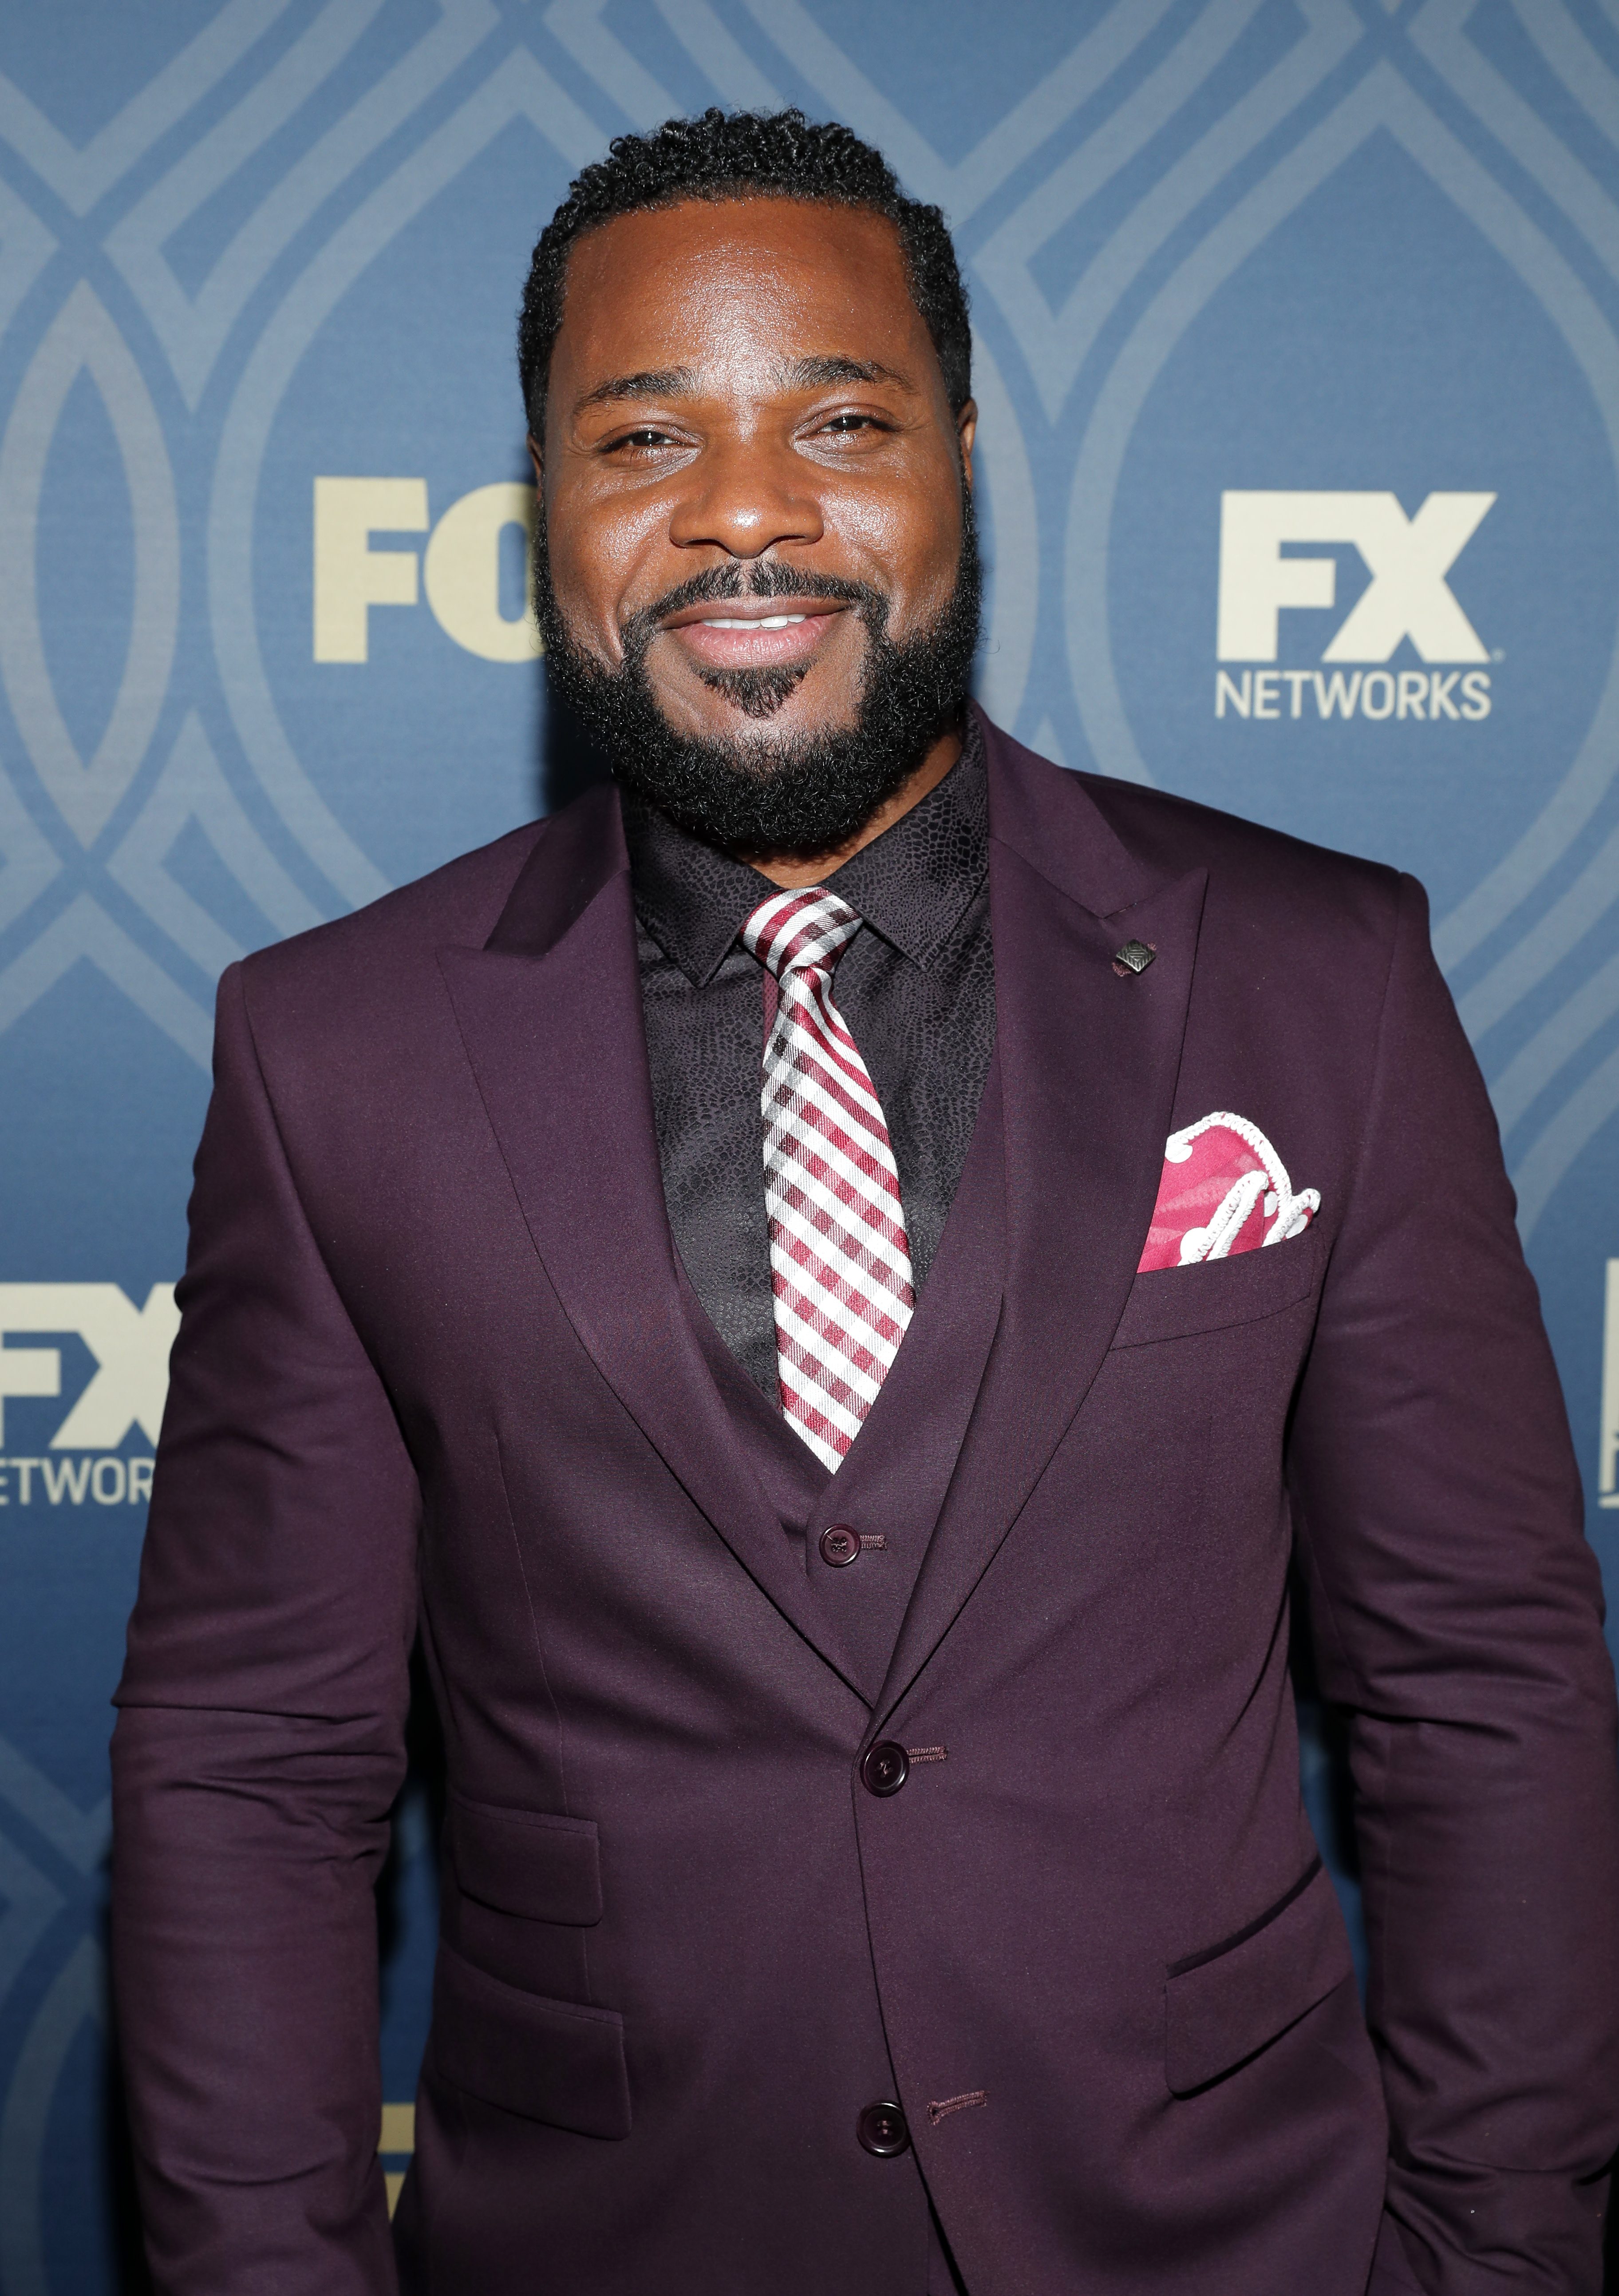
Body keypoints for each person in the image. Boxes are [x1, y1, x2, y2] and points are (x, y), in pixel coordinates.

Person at [111, 108, 1619, 2295]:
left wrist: (1494, 2256)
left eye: (838, 420)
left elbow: (1478, 1681)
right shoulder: (328, 1048)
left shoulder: (1319, 976)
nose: (746, 512)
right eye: (644, 440)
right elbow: (253, 1769)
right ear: (547, 506)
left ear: (962, 459)